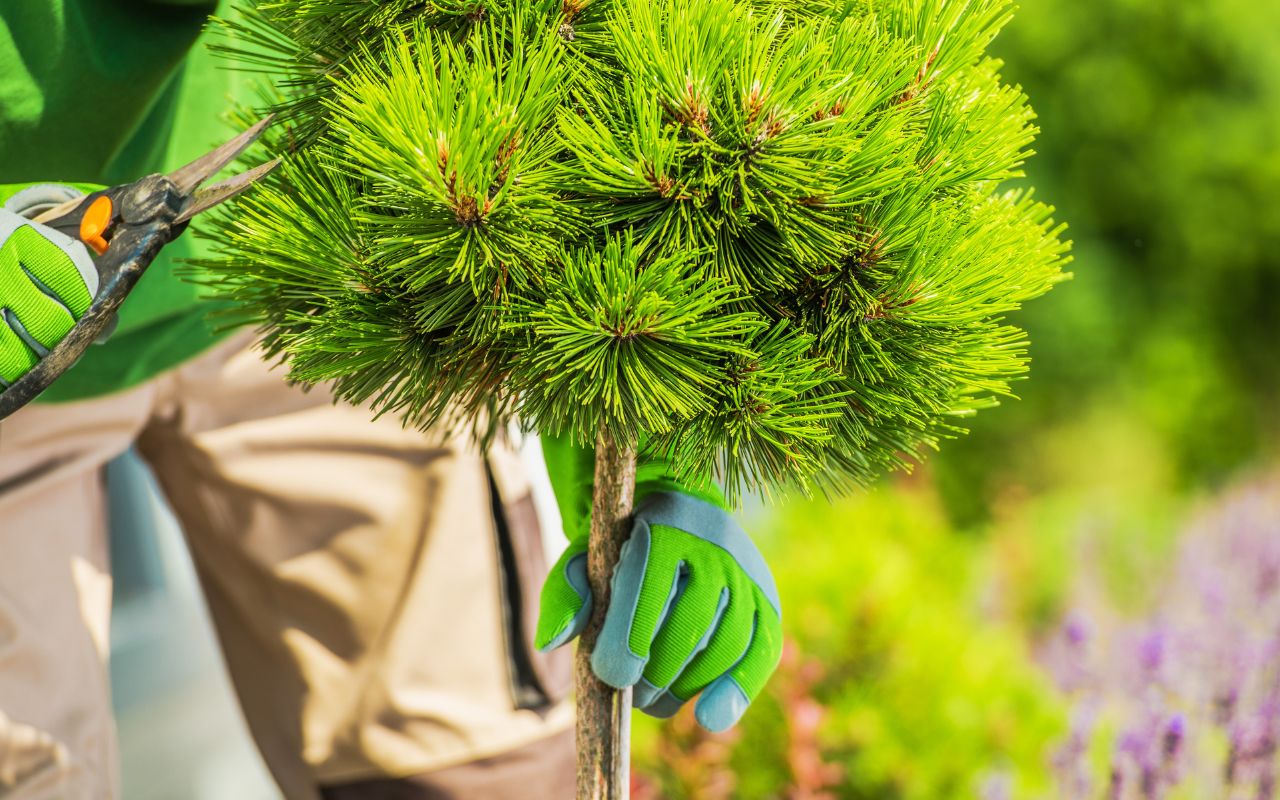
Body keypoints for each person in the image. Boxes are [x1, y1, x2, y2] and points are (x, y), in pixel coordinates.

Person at [0, 2, 782, 798]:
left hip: (310, 275)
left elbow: (557, 42)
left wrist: (652, 453)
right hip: (15, 336)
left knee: (465, 761)